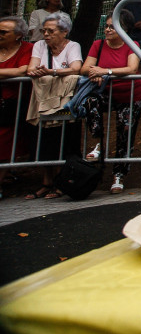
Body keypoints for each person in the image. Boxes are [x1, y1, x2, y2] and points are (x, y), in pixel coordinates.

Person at [81, 11, 141, 193]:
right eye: (107, 26)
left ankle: (119, 175)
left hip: (130, 95)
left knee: (125, 133)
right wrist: (94, 73)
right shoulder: (98, 45)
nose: (108, 29)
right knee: (90, 101)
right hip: (105, 93)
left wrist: (105, 71)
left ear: (124, 29)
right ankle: (98, 141)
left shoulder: (133, 45)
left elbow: (131, 68)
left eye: (113, 26)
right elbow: (85, 67)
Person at [25, 14, 83, 199]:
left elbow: (76, 68)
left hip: (65, 100)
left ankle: (62, 182)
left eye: (51, 31)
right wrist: (40, 72)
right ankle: (46, 182)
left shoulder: (73, 46)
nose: (46, 34)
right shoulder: (39, 46)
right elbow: (31, 68)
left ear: (64, 31)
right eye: (44, 31)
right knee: (44, 140)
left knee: (64, 139)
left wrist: (52, 72)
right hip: (43, 99)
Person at [0, 17, 33, 200]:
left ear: (18, 35)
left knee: (5, 143)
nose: (0, 35)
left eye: (4, 32)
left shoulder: (27, 49)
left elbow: (22, 70)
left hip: (13, 103)